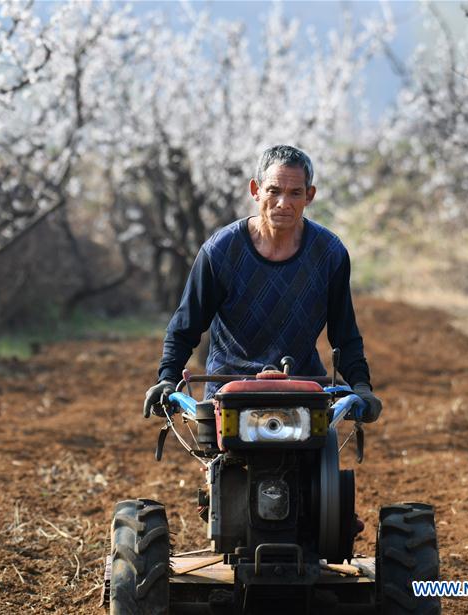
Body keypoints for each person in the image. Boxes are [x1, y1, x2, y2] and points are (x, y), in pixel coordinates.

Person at [143, 145, 382, 420]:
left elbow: (344, 333)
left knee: (317, 453)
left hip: (302, 386)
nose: (283, 203)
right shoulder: (221, 251)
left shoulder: (329, 253)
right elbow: (186, 326)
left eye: (295, 193)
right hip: (228, 391)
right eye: (274, 191)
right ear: (255, 190)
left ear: (310, 196)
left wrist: (361, 385)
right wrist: (167, 378)